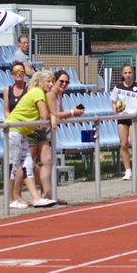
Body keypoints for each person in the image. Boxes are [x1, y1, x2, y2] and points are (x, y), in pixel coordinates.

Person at [5, 69, 54, 209]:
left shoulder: (40, 93)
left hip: (23, 133)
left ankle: (36, 198)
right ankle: (10, 200)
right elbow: (44, 114)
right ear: (40, 82)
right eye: (48, 81)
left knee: (28, 164)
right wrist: (46, 121)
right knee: (13, 165)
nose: (51, 84)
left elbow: (46, 115)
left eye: (52, 81)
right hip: (13, 130)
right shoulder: (38, 92)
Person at [44, 70, 85, 204]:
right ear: (55, 81)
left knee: (48, 163)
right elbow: (54, 113)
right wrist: (72, 112)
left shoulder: (59, 94)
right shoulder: (50, 93)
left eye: (67, 82)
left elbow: (60, 114)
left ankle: (49, 195)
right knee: (44, 163)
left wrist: (73, 111)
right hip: (41, 130)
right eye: (61, 81)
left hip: (49, 130)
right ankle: (45, 195)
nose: (64, 84)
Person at [110, 64, 137, 180]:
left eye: (129, 72)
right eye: (125, 73)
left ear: (133, 73)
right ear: (122, 74)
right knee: (124, 144)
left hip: (135, 118)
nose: (127, 75)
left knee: (134, 143)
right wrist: (116, 109)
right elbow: (113, 103)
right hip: (122, 118)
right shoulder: (118, 87)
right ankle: (128, 170)